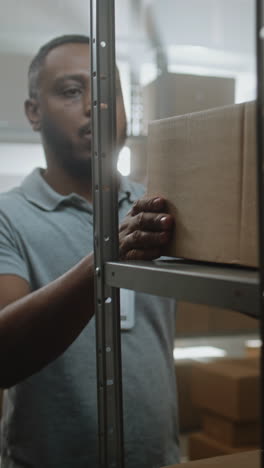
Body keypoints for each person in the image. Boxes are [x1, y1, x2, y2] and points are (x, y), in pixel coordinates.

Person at [0, 35, 179, 468]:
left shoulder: (159, 207)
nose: (94, 107)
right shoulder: (8, 217)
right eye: (71, 91)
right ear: (33, 112)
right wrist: (107, 257)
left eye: (107, 92)